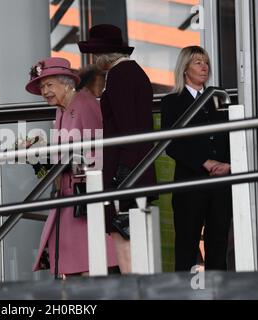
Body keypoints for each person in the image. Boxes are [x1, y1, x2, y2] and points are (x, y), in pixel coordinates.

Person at [27, 57, 118, 277]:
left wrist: (66, 162)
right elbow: (58, 158)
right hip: (67, 200)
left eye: (49, 85)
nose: (45, 91)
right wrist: (38, 156)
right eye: (41, 86)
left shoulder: (85, 104)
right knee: (71, 270)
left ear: (67, 83)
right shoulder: (60, 110)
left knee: (91, 267)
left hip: (86, 198)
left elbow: (99, 151)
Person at [78, 24, 156, 274]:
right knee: (132, 236)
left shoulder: (121, 76)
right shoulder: (133, 72)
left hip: (126, 170)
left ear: (103, 54)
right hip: (134, 167)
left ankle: (134, 292)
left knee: (124, 239)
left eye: (94, 53)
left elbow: (126, 127)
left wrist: (121, 174)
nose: (92, 59)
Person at [160, 46, 232, 271]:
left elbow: (231, 134)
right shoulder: (172, 102)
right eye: (197, 62)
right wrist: (205, 161)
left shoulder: (218, 98)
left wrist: (228, 164)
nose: (204, 67)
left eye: (206, 62)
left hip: (220, 183)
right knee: (187, 244)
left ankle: (219, 293)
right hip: (190, 183)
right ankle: (187, 293)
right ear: (184, 69)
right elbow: (171, 144)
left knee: (219, 243)